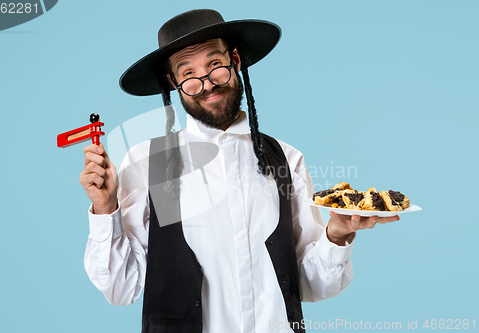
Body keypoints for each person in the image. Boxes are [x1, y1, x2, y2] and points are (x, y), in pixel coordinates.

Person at [80, 9, 399, 333]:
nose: (206, 83)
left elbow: (311, 285)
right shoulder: (148, 162)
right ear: (172, 82)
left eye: (215, 64)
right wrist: (105, 210)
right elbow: (121, 289)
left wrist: (337, 235)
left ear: (235, 60)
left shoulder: (286, 159)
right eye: (188, 72)